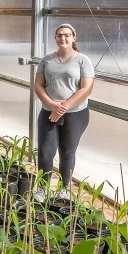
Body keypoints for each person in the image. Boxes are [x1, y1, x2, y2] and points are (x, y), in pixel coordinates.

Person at [33, 23, 94, 200]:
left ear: (73, 37)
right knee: (45, 151)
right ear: (55, 38)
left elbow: (86, 89)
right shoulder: (47, 60)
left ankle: (63, 189)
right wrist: (52, 105)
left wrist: (63, 107)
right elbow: (38, 85)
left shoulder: (83, 60)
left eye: (67, 35)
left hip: (75, 114)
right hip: (48, 112)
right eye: (59, 35)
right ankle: (42, 189)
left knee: (67, 151)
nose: (63, 38)